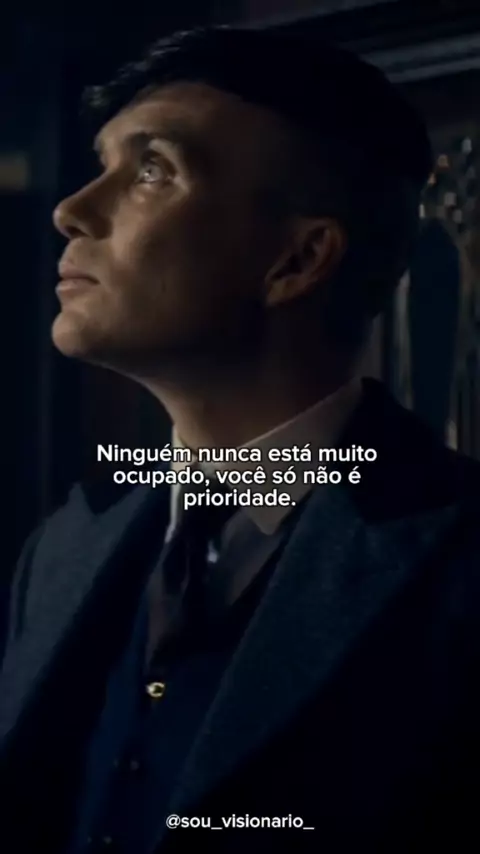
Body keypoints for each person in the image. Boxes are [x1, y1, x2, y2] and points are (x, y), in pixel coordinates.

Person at [1, 25, 480, 854]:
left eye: (152, 170)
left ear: (297, 260)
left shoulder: (457, 556)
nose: (70, 210)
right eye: (102, 165)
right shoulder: (65, 550)